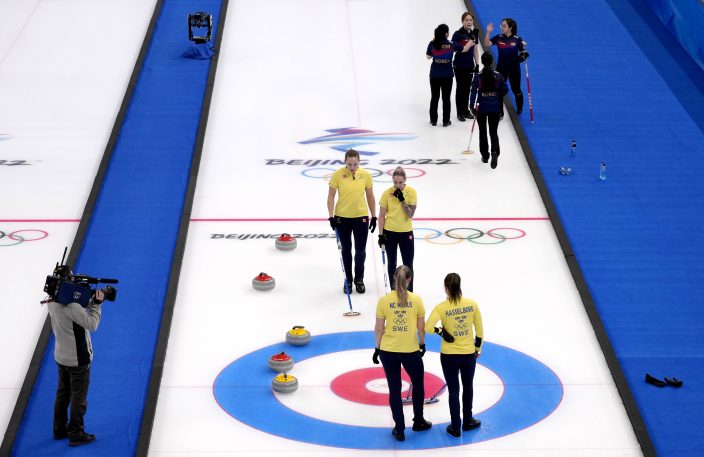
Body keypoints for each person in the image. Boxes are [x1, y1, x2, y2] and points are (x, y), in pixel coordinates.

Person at [373, 266, 432, 441]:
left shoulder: (384, 301)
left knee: (394, 388)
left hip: (388, 350)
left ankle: (399, 428)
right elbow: (420, 327)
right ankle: (419, 420)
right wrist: (422, 343)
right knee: (418, 384)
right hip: (410, 350)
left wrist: (377, 348)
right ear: (409, 280)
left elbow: (378, 329)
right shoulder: (417, 300)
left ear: (393, 278)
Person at [424, 273, 484, 438]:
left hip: (449, 355)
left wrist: (442, 332)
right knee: (468, 386)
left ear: (446, 288)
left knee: (454, 390)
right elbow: (479, 331)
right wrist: (477, 348)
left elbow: (428, 327)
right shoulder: (471, 305)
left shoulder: (441, 307)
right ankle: (468, 420)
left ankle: (455, 426)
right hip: (468, 354)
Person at [47, 280, 104, 447]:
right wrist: (96, 305)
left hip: (61, 356)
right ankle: (76, 433)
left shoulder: (52, 301)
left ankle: (59, 429)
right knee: (79, 398)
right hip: (78, 359)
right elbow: (92, 324)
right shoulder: (73, 307)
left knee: (62, 394)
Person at [327, 148, 376, 293]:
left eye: (355, 164)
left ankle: (359, 279)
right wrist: (331, 216)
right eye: (349, 165)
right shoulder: (337, 175)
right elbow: (330, 196)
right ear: (345, 162)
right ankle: (348, 279)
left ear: (359, 162)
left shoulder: (365, 175)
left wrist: (373, 216)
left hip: (360, 217)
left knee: (360, 251)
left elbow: (370, 197)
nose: (352, 168)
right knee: (346, 250)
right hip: (342, 218)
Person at [426, 24, 474, 127]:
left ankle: (433, 120)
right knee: (446, 98)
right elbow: (465, 49)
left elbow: (428, 57)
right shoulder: (452, 44)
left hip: (434, 74)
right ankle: (445, 121)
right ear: (446, 34)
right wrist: (471, 38)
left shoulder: (432, 43)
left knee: (434, 97)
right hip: (447, 75)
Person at [378, 167, 417, 291]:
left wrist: (402, 200)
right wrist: (381, 235)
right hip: (390, 232)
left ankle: (409, 292)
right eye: (395, 182)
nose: (397, 185)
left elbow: (410, 214)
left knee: (408, 264)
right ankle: (394, 292)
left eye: (400, 182)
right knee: (392, 264)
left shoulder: (412, 192)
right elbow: (381, 215)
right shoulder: (387, 193)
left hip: (406, 232)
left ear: (405, 180)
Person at [470, 52, 508, 169]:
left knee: (482, 131)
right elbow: (505, 90)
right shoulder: (498, 75)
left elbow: (473, 91)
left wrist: (471, 106)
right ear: (491, 62)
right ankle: (495, 151)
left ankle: (485, 156)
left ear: (482, 61)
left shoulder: (478, 76)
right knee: (493, 132)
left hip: (482, 107)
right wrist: (496, 95)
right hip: (494, 107)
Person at [484, 18, 529, 115]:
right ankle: (500, 112)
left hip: (514, 69)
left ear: (510, 28)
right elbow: (486, 44)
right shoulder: (498, 37)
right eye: (501, 25)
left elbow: (523, 53)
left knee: (516, 89)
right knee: (498, 90)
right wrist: (488, 32)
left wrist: (523, 56)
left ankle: (519, 107)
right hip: (501, 69)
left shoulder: (517, 39)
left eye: (504, 26)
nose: (501, 27)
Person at [452, 12, 480, 122]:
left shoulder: (474, 34)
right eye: (466, 20)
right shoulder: (457, 34)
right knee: (460, 88)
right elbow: (460, 49)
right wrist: (471, 39)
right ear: (462, 21)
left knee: (467, 88)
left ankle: (466, 110)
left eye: (470, 20)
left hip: (469, 65)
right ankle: (460, 112)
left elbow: (475, 50)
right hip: (459, 65)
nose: (469, 22)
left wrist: (477, 64)